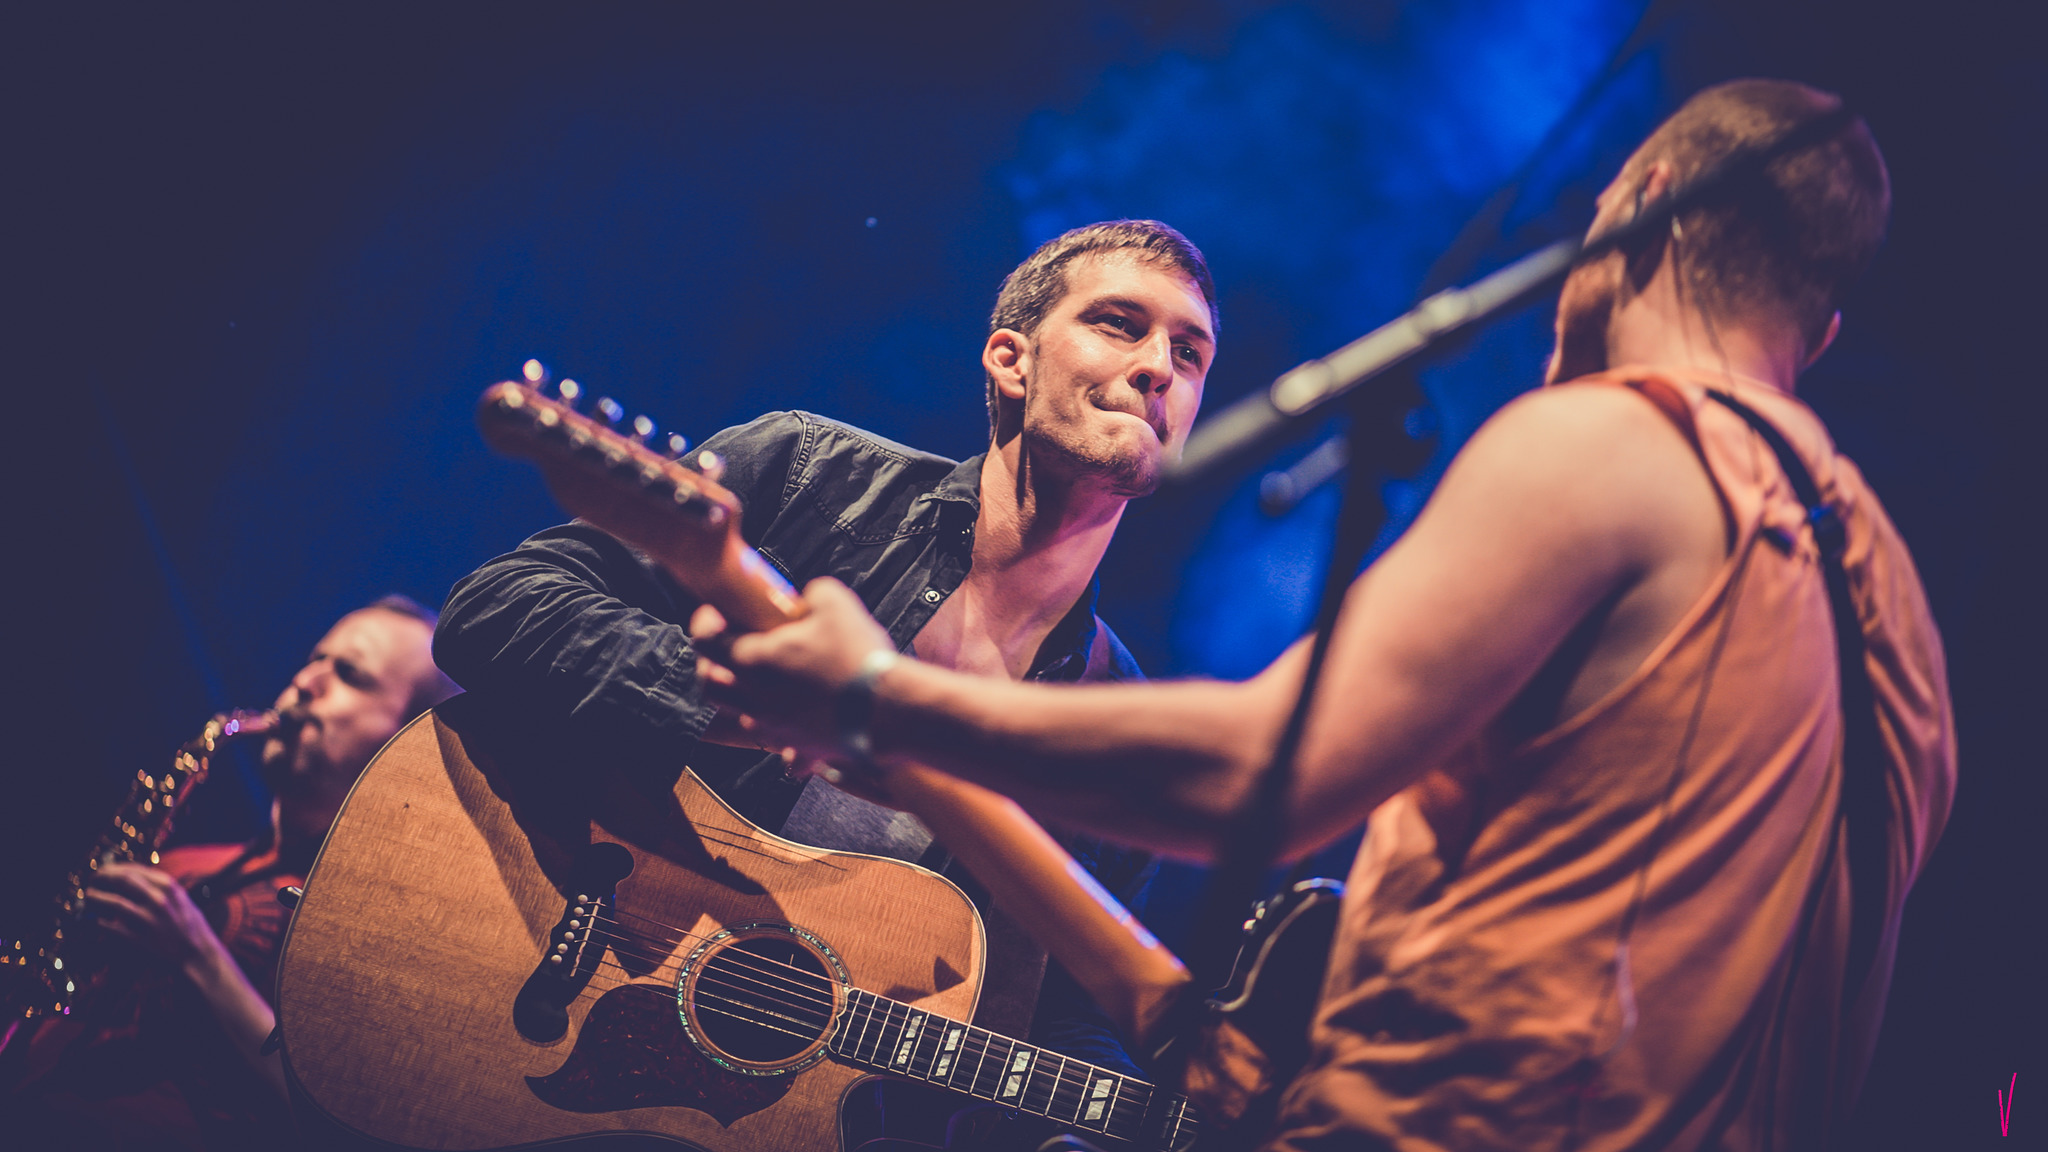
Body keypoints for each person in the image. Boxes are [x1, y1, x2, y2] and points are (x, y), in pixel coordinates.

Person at [691, 81, 1955, 1150]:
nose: (1156, 370)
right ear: (1821, 328)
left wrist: (872, 695)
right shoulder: (1896, 612)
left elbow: (1258, 775)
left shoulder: (1616, 445)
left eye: (1186, 350)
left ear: (1636, 208)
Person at [431, 220, 1218, 1140]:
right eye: (1121, 324)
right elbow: (494, 606)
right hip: (526, 962)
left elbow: (1057, 1016)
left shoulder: (1119, 728)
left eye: (1190, 352)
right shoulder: (812, 473)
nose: (1161, 365)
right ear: (1011, 360)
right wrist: (718, 697)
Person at [0, 596, 458, 1151]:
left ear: (405, 745)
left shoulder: (388, 929)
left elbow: (342, 1121)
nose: (305, 682)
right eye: (315, 658)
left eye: (350, 674)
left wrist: (196, 953)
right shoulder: (180, 867)